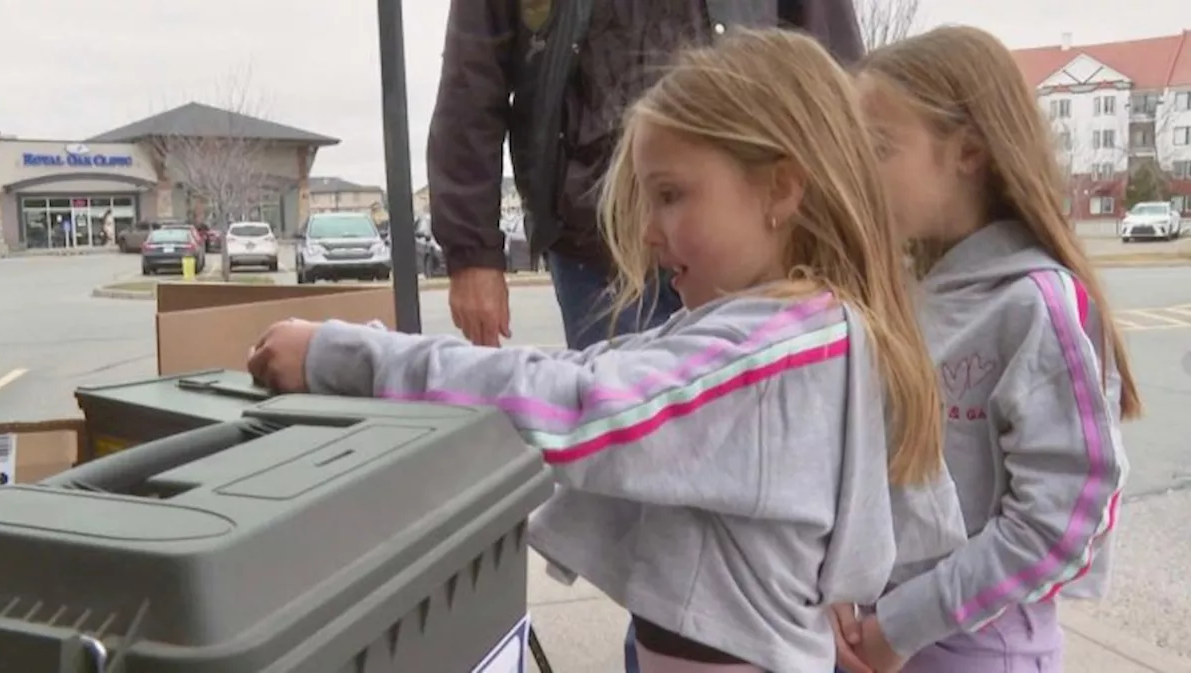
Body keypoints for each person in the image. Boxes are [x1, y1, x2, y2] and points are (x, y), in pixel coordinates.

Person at [250, 28, 961, 673]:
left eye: (672, 195)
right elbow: (587, 372)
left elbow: (587, 405)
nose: (650, 232)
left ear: (779, 186)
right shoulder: (798, 329)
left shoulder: (768, 352)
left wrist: (345, 359)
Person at [832, 25, 1137, 673]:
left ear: (967, 152)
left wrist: (905, 623)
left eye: (879, 147)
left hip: (977, 648)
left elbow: (1062, 520)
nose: (858, 172)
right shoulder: (898, 296)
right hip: (873, 632)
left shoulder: (1034, 304)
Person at [425, 0, 863, 351]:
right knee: (620, 435)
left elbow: (829, 67)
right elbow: (472, 76)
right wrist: (473, 255)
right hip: (591, 247)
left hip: (752, 240)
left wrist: (852, 217)